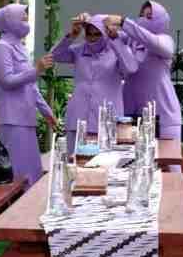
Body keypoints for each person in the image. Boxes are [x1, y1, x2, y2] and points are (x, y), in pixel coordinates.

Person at [0, 3, 57, 187]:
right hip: (12, 119)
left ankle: (28, 203)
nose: (26, 22)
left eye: (27, 19)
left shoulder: (20, 48)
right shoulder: (1, 48)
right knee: (17, 173)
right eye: (22, 18)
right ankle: (15, 205)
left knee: (32, 170)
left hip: (26, 118)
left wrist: (46, 111)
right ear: (10, 21)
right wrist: (36, 70)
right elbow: (7, 81)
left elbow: (31, 87)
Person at [52, 13, 137, 153]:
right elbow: (55, 55)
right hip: (78, 118)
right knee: (74, 161)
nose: (92, 38)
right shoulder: (79, 50)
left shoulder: (116, 51)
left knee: (103, 162)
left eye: (97, 34)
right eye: (89, 34)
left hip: (105, 120)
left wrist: (115, 39)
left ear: (105, 33)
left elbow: (131, 68)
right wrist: (72, 35)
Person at [112, 1, 183, 140]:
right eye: (142, 16)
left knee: (166, 154)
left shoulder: (165, 40)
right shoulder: (131, 40)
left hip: (163, 115)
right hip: (130, 113)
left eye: (150, 16)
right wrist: (92, 21)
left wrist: (123, 22)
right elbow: (106, 33)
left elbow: (150, 40)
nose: (143, 19)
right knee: (128, 152)